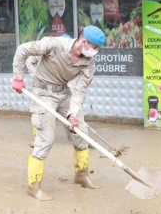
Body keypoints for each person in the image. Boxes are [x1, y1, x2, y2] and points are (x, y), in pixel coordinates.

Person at [11, 25, 105, 201]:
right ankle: (34, 185)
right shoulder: (54, 45)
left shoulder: (88, 64)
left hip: (64, 93)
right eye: (95, 47)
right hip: (42, 92)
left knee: (81, 135)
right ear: (83, 42)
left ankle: (81, 175)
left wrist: (73, 114)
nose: (97, 52)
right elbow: (22, 50)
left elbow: (79, 91)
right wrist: (18, 77)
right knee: (45, 139)